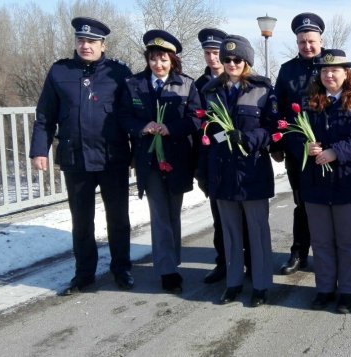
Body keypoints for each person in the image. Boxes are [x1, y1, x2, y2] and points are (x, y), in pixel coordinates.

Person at [30, 17, 134, 295]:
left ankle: (121, 269)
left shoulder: (119, 73)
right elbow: (44, 116)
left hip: (112, 158)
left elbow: (131, 115)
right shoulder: (59, 71)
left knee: (118, 219)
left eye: (92, 41)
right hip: (75, 159)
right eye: (81, 40)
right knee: (82, 221)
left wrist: (139, 152)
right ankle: (84, 274)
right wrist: (40, 150)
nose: (85, 45)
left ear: (103, 44)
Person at [290, 49, 351, 314]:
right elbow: (291, 134)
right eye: (325, 70)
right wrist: (305, 146)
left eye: (335, 70)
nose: (329, 75)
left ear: (346, 72)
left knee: (347, 241)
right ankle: (324, 289)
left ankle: (348, 292)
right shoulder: (307, 101)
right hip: (314, 183)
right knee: (322, 240)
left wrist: (335, 152)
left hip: (346, 182)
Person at [196, 35, 278, 307]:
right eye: (226, 59)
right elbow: (205, 135)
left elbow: (272, 129)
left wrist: (247, 138)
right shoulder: (210, 90)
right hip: (222, 171)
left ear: (247, 61)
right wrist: (204, 174)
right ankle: (232, 283)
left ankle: (261, 285)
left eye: (237, 59)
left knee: (257, 230)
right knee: (229, 232)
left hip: (251, 170)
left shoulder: (262, 89)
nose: (231, 63)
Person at [117, 30, 201, 293]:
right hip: (148, 160)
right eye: (153, 58)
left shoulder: (187, 84)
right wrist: (143, 127)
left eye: (163, 58)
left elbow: (196, 118)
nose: (158, 64)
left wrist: (171, 128)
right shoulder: (134, 84)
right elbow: (123, 117)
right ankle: (167, 271)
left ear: (172, 60)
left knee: (173, 212)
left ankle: (172, 262)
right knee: (159, 213)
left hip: (177, 159)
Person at [194, 28, 253, 284]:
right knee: (221, 220)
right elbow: (202, 130)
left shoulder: (252, 87)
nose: (221, 61)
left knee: (247, 220)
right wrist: (201, 169)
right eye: (210, 54)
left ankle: (252, 264)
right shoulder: (203, 88)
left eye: (232, 59)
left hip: (244, 164)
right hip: (217, 163)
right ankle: (224, 264)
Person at [272, 12, 325, 275]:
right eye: (302, 41)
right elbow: (277, 110)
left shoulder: (333, 65)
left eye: (311, 41)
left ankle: (329, 254)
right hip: (297, 149)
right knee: (301, 203)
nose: (307, 46)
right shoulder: (287, 70)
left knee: (329, 203)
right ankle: (299, 252)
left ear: (321, 40)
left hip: (328, 149)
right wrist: (278, 145)